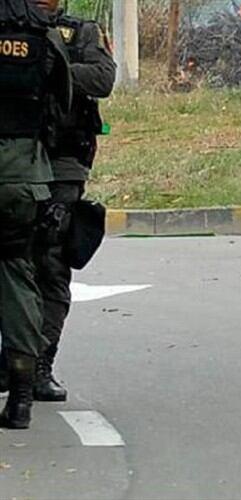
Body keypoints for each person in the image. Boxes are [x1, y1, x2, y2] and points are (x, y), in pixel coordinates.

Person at [29, 0, 115, 402]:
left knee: (51, 263)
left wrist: (51, 69)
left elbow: (101, 79)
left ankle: (39, 365)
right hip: (14, 159)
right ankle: (14, 358)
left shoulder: (80, 31)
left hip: (62, 163)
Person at [0, 0, 71, 429]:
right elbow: (61, 103)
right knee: (18, 274)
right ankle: (21, 399)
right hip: (24, 176)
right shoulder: (44, 36)